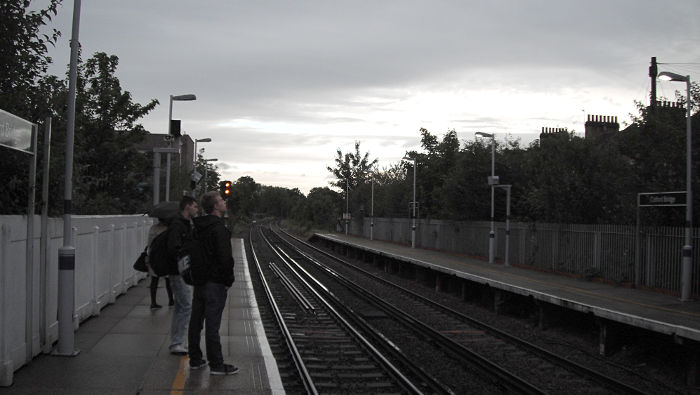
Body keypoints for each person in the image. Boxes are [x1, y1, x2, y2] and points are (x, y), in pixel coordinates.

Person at [188, 191, 237, 375]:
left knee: (195, 322)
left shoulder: (197, 227)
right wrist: (228, 280)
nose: (224, 202)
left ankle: (195, 359)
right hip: (215, 283)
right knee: (213, 325)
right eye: (221, 200)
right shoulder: (219, 229)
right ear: (215, 207)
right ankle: (216, 364)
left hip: (199, 282)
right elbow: (225, 259)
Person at [165, 196, 198, 355]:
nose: (196, 209)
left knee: (181, 306)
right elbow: (174, 248)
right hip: (178, 271)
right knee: (186, 306)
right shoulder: (178, 225)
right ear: (187, 207)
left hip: (180, 270)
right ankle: (177, 343)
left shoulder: (184, 223)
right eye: (194, 206)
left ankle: (176, 342)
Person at [147, 219, 173, 309]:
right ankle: (171, 300)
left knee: (154, 280)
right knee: (168, 279)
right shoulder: (168, 229)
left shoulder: (153, 228)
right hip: (164, 257)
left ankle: (153, 302)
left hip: (153, 256)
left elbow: (149, 243)